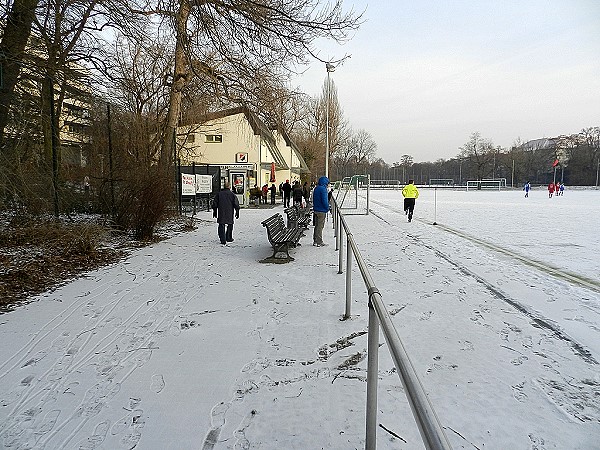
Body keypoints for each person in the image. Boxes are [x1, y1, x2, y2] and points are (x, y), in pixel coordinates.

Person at [212, 180, 240, 245]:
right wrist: (237, 211)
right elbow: (236, 204)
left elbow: (215, 204)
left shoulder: (219, 194)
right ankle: (229, 237)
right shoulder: (232, 195)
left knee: (221, 225)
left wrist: (215, 211)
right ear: (229, 187)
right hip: (230, 212)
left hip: (221, 211)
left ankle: (223, 239)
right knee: (230, 224)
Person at [312, 176, 329, 246]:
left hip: (316, 209)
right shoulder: (323, 189)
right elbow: (325, 200)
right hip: (321, 210)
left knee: (316, 226)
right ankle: (319, 241)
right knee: (320, 226)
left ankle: (315, 240)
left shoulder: (316, 188)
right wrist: (327, 207)